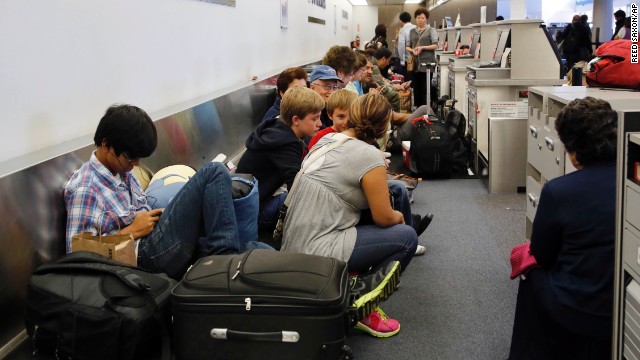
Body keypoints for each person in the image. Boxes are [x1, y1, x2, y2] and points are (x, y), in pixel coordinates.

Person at [64, 105, 271, 280]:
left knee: (260, 250)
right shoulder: (86, 189)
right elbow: (78, 255)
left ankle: (224, 256)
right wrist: (132, 230)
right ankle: (224, 263)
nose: (135, 164)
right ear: (106, 144)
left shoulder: (121, 170)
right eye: (130, 158)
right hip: (144, 255)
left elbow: (141, 206)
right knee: (214, 172)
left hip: (155, 235)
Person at [281, 93, 420, 337]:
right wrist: (399, 217)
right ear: (383, 129)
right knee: (407, 237)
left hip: (292, 246)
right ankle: (359, 306)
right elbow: (383, 217)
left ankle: (348, 283)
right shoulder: (369, 155)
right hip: (318, 250)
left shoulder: (328, 140)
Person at [508, 96, 617, 359]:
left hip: (578, 311)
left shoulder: (559, 191)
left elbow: (542, 254)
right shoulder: (631, 186)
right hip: (621, 307)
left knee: (529, 270)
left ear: (574, 150)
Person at [236, 87, 324, 234]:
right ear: (296, 120)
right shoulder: (286, 143)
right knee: (315, 203)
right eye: (314, 118)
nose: (320, 123)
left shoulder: (275, 127)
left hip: (244, 204)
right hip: (253, 213)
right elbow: (297, 188)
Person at [406, 8, 438, 108]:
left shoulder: (431, 30)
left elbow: (435, 45)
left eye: (422, 18)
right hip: (415, 64)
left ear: (426, 19)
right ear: (415, 19)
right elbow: (407, 46)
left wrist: (423, 47)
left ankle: (427, 109)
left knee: (426, 88)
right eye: (418, 17)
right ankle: (418, 109)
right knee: (416, 88)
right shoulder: (411, 31)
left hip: (427, 64)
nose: (420, 19)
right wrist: (413, 50)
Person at [308, 65, 343, 129]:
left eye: (335, 87)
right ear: (312, 88)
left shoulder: (332, 109)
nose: (332, 91)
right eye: (327, 86)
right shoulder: (306, 111)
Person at [397, 12, 416, 78]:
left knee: (408, 79)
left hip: (408, 60)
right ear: (410, 19)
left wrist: (402, 60)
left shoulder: (403, 30)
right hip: (417, 57)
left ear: (401, 21)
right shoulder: (416, 27)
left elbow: (401, 46)